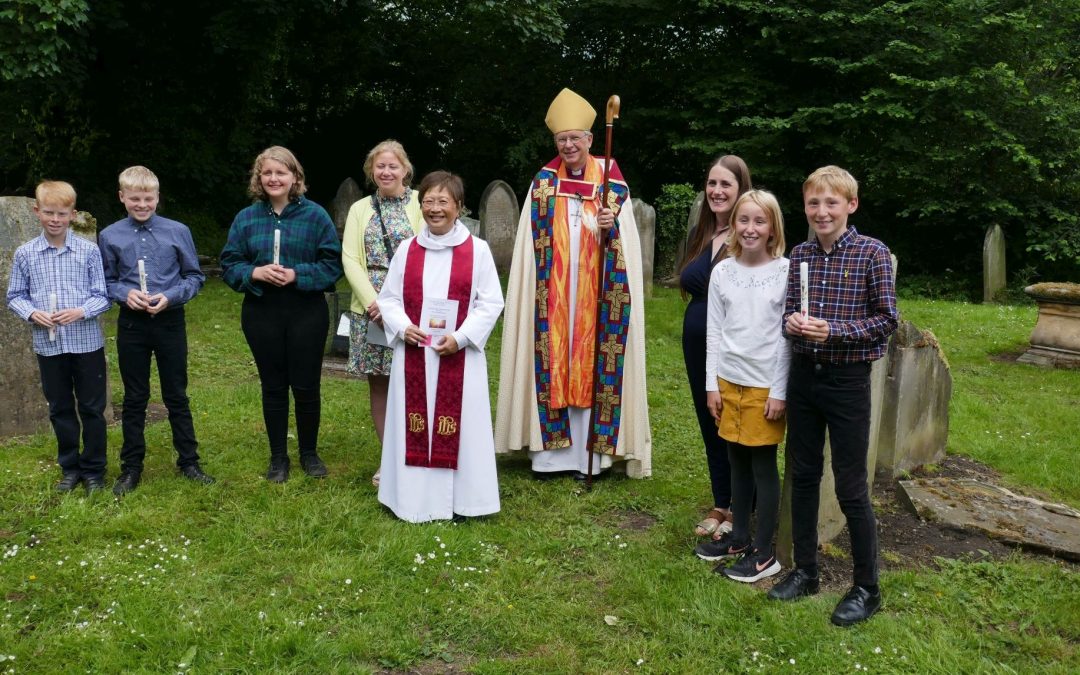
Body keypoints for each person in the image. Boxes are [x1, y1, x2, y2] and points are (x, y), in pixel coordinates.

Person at [495, 88, 651, 480]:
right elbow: (532, 246)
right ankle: (549, 457)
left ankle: (593, 455)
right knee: (554, 359)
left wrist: (609, 227)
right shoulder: (544, 183)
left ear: (590, 141)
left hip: (598, 294)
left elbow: (626, 243)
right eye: (561, 139)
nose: (568, 145)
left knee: (595, 359)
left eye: (574, 139)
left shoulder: (611, 180)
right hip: (554, 295)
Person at [769, 166, 897, 626]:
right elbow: (788, 310)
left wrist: (834, 332)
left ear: (850, 205)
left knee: (849, 484)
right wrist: (793, 323)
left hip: (847, 382)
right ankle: (806, 571)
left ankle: (867, 587)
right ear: (805, 208)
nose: (822, 212)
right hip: (804, 378)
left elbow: (886, 320)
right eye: (813, 204)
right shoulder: (800, 254)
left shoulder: (872, 254)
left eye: (831, 203)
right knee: (802, 475)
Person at [377, 171, 504, 522]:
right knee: (413, 420)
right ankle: (414, 500)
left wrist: (461, 338)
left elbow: (490, 302)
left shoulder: (477, 251)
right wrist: (404, 327)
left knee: (462, 424)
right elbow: (388, 299)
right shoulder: (407, 249)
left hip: (459, 357)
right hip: (415, 354)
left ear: (459, 207)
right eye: (428, 201)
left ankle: (465, 501)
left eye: (443, 201)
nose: (435, 209)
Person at [220, 146, 343, 482]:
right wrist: (255, 273)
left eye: (281, 173)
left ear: (295, 177)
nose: (274, 179)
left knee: (306, 385)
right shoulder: (247, 218)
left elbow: (332, 265)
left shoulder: (315, 216)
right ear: (259, 178)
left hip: (306, 311)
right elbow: (229, 264)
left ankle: (309, 453)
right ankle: (278, 457)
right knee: (273, 386)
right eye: (267, 173)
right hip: (262, 312)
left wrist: (297, 274)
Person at [693, 190, 790, 584]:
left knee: (762, 465)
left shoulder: (784, 271)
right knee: (735, 459)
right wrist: (711, 385)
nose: (750, 229)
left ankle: (765, 553)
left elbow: (786, 337)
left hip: (764, 385)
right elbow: (714, 331)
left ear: (772, 229)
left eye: (759, 222)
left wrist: (780, 391)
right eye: (743, 220)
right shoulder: (723, 272)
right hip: (728, 381)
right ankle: (739, 538)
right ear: (733, 225)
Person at [98, 166, 214, 495]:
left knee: (176, 393)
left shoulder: (178, 231)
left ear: (157, 197)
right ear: (122, 197)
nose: (142, 204)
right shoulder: (110, 236)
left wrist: (171, 296)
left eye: (148, 198)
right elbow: (105, 281)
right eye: (134, 198)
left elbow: (195, 277)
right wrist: (124, 294)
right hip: (133, 323)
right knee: (135, 397)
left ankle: (189, 461)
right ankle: (131, 467)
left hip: (169, 320)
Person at [6, 181, 111, 494]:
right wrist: (31, 313)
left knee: (92, 408)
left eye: (62, 213)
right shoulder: (25, 254)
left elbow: (102, 296)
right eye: (48, 212)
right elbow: (15, 296)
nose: (55, 219)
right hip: (49, 346)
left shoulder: (88, 251)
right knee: (60, 407)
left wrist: (80, 311)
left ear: (72, 215)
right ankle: (70, 467)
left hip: (86, 343)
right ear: (37, 212)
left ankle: (94, 470)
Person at [678, 155, 753, 537]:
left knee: (733, 422)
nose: (717, 191)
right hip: (696, 344)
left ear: (742, 189)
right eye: (712, 183)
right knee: (711, 424)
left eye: (726, 184)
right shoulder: (702, 234)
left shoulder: (749, 236)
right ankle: (721, 503)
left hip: (731, 345)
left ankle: (742, 506)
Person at [342, 140, 423, 488]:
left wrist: (399, 305)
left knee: (417, 381)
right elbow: (350, 258)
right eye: (380, 167)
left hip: (412, 306)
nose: (386, 172)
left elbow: (427, 251)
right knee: (380, 383)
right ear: (371, 171)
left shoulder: (423, 202)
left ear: (405, 169)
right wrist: (375, 303)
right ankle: (389, 459)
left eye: (393, 166)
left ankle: (420, 453)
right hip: (371, 309)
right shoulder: (361, 208)